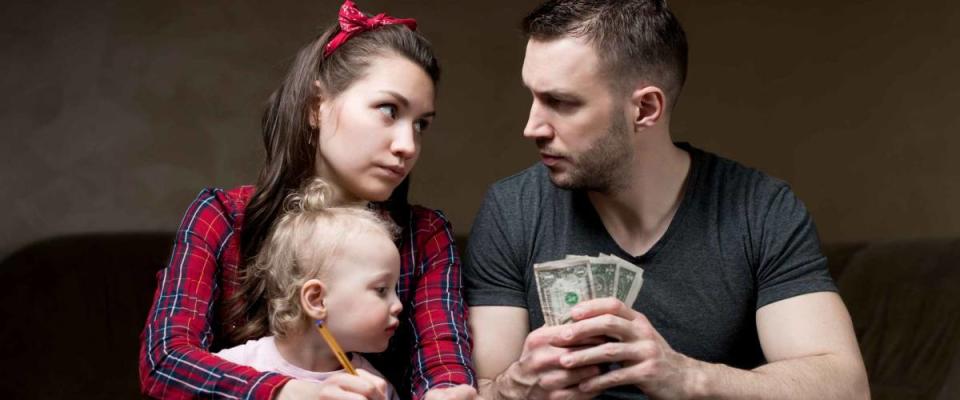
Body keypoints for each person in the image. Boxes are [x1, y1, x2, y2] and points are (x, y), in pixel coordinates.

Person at [464, 1, 869, 399]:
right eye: (533, 97)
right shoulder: (512, 209)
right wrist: (513, 391)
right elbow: (481, 388)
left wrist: (688, 378)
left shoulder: (760, 210)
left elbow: (846, 388)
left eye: (561, 102)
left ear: (645, 108)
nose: (531, 126)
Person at [139, 2, 477, 399]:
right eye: (389, 110)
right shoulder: (223, 217)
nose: (408, 146)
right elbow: (165, 361)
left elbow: (444, 365)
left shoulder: (425, 236)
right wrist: (288, 392)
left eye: (421, 125)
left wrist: (447, 392)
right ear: (317, 107)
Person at [216, 178, 403, 400]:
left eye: (395, 290)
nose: (398, 305)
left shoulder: (376, 390)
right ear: (316, 300)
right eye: (381, 290)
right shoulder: (233, 367)